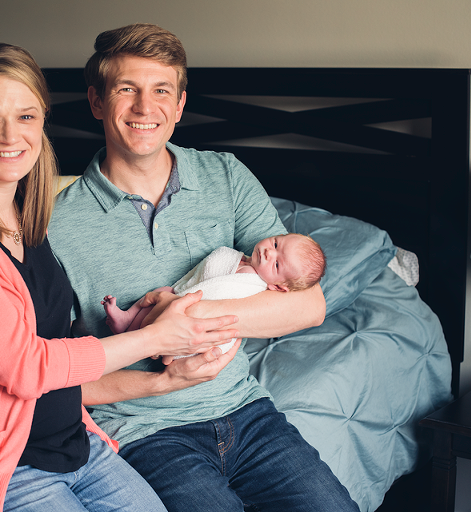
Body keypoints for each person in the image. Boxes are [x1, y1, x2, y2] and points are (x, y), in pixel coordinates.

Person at [0, 41, 239, 512]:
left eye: (26, 116)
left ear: (42, 122)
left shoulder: (30, 214)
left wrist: (160, 369)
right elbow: (23, 366)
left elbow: (60, 347)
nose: (10, 135)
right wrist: (156, 337)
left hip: (76, 444)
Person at [47, 24, 360, 512]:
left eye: (161, 91)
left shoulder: (225, 176)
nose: (144, 108)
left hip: (245, 411)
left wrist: (186, 318)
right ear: (96, 101)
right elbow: (51, 374)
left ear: (179, 105)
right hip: (143, 430)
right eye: (127, 89)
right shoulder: (55, 223)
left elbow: (308, 304)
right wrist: (162, 371)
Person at [102, 234, 327, 356]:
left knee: (162, 303)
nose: (269, 252)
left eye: (276, 264)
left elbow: (217, 295)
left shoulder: (252, 284)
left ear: (278, 287)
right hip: (178, 297)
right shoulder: (240, 259)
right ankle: (127, 317)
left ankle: (127, 332)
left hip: (190, 321)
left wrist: (186, 306)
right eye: (276, 243)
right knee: (162, 292)